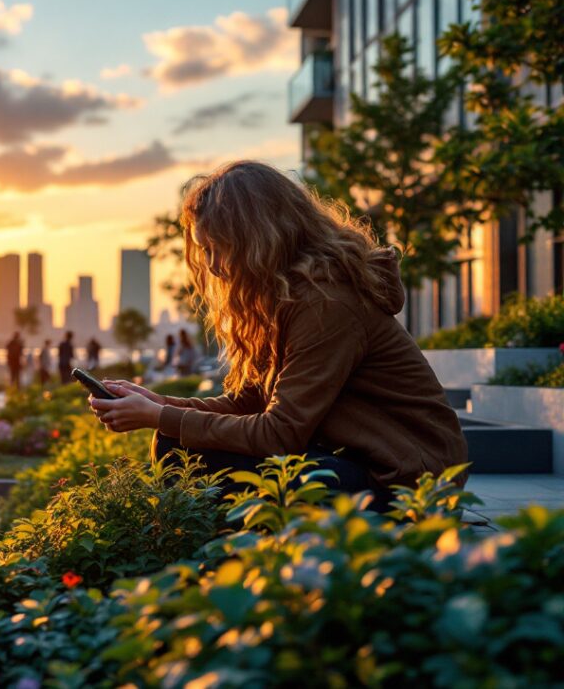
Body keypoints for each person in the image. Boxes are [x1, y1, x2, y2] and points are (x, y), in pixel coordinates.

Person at [89, 161, 468, 511]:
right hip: (359, 461)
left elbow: (279, 432)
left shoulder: (327, 303)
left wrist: (161, 416)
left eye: (220, 249)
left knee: (181, 447)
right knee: (176, 442)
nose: (214, 267)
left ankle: (242, 562)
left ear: (260, 240)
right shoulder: (289, 298)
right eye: (205, 251)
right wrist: (160, 404)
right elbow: (253, 402)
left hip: (408, 483)